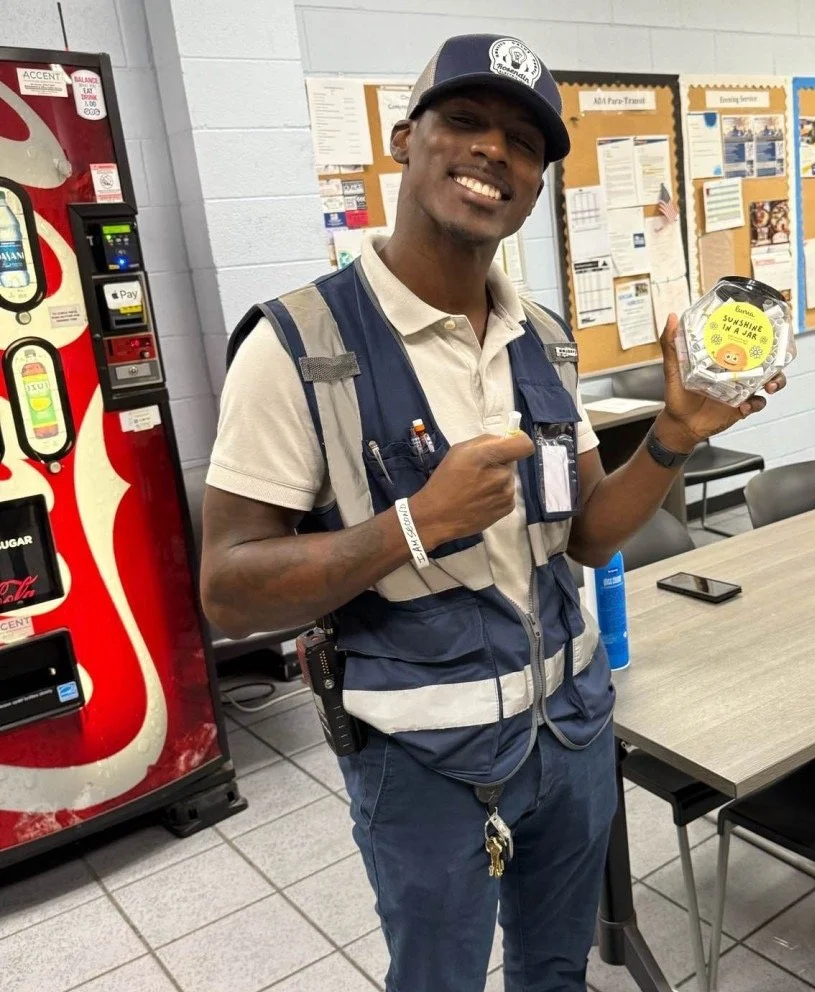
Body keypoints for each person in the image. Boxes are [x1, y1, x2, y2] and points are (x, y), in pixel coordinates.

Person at [201, 33, 785, 992]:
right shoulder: (297, 344)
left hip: (574, 730)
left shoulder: (542, 338)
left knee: (554, 972)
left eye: (522, 142)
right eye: (464, 121)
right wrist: (413, 523)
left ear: (538, 181)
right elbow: (227, 590)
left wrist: (671, 436)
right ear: (405, 138)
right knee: (438, 979)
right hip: (422, 764)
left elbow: (589, 532)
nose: (491, 152)